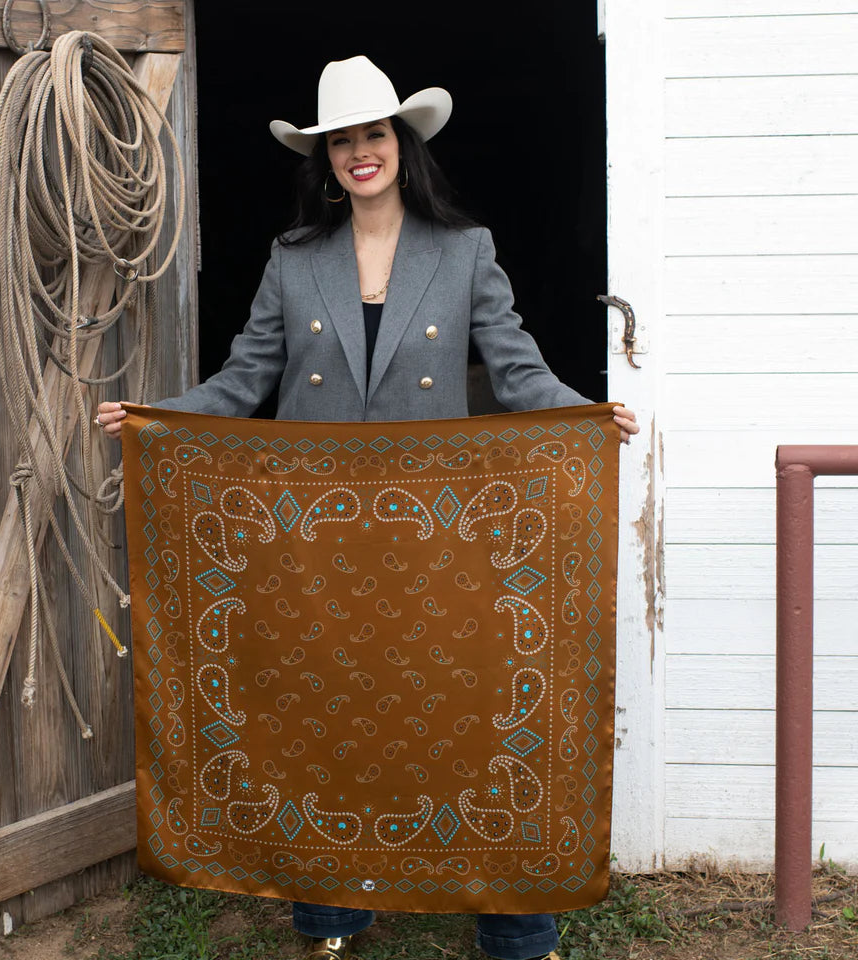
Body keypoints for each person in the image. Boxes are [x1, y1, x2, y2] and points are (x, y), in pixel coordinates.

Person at [98, 55, 639, 960]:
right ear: (324, 159)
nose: (359, 153)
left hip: (436, 539)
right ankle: (330, 923)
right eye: (341, 140)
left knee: (457, 716)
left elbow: (514, 369)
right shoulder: (294, 258)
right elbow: (245, 382)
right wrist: (154, 421)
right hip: (314, 549)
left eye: (373, 135)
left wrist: (581, 415)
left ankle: (515, 927)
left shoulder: (465, 250)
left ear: (403, 145)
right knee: (320, 718)